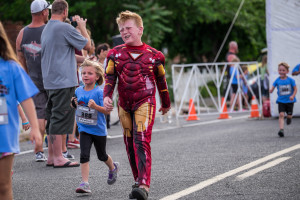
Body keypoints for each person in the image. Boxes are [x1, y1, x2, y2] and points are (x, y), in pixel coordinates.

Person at [103, 11, 171, 200]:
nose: (124, 31)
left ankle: (144, 184)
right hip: (124, 104)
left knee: (141, 140)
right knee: (129, 144)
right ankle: (137, 180)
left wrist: (166, 104)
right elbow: (109, 79)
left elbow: (162, 83)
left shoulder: (155, 56)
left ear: (140, 30)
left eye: (128, 28)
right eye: (121, 29)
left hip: (145, 102)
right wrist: (106, 97)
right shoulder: (114, 54)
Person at [41, 0, 91, 168]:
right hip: (63, 80)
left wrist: (82, 60)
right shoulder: (64, 27)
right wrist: (82, 26)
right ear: (65, 11)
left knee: (52, 117)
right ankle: (58, 157)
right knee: (60, 117)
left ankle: (51, 156)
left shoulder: (47, 27)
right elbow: (88, 45)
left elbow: (61, 53)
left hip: (50, 80)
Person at [0, 21, 42, 200]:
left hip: (4, 136)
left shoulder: (11, 67)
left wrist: (35, 128)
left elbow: (25, 98)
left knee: (3, 185)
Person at [70, 59, 119, 193]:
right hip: (84, 129)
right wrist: (73, 104)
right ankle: (85, 183)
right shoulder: (78, 90)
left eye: (89, 73)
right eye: (83, 73)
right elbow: (75, 106)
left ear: (97, 76)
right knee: (84, 155)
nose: (85, 76)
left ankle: (112, 168)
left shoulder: (99, 92)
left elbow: (108, 111)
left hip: (98, 130)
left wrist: (96, 106)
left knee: (101, 155)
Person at [15, 0, 51, 162]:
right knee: (56, 115)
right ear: (43, 12)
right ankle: (59, 151)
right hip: (53, 80)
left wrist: (25, 80)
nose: (49, 13)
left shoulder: (22, 33)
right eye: (47, 11)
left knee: (39, 117)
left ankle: (38, 151)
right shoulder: (50, 30)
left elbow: (20, 61)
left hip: (33, 81)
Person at [269, 62, 297, 137]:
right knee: (281, 114)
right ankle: (281, 130)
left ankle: (289, 118)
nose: (281, 72)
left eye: (283, 70)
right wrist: (271, 90)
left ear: (287, 71)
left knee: (289, 115)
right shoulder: (277, 80)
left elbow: (295, 89)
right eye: (280, 70)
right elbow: (273, 87)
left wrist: (293, 96)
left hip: (290, 101)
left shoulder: (291, 80)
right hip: (281, 101)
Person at [95, 43, 111, 128]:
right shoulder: (95, 62)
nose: (108, 53)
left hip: (106, 89)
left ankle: (105, 126)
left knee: (105, 108)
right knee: (98, 109)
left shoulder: (108, 62)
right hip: (97, 89)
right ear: (102, 51)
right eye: (107, 51)